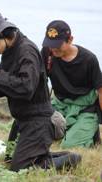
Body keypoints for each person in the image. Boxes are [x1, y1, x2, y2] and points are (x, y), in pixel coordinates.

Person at [0, 10, 55, 172]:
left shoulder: (27, 51)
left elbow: (26, 88)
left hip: (38, 121)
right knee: (10, 158)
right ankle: (41, 154)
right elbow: (10, 84)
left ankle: (71, 159)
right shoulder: (9, 50)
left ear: (0, 35)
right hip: (22, 120)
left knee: (19, 168)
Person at [41, 20, 102, 148]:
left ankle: (89, 130)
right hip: (59, 104)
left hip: (85, 108)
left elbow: (101, 91)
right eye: (50, 44)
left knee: (68, 146)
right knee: (37, 133)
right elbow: (40, 80)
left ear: (70, 39)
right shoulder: (47, 53)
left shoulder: (89, 59)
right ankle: (73, 128)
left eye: (57, 45)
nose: (53, 49)